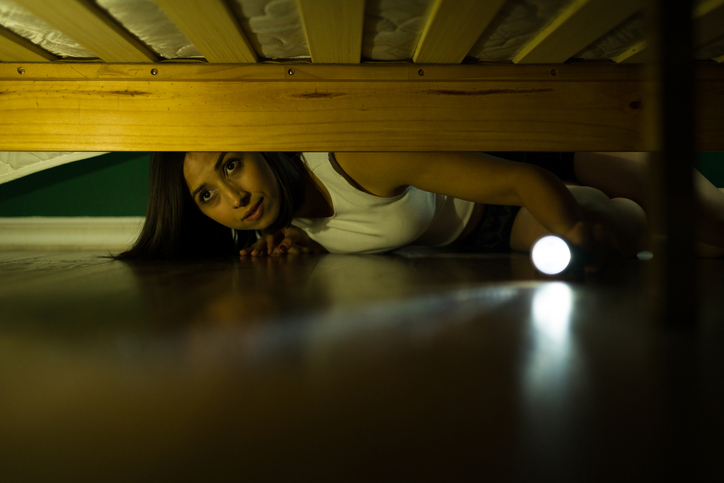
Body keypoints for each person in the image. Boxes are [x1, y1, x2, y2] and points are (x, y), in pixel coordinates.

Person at [116, 151, 724, 262]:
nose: (235, 198)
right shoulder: (283, 222)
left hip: (527, 157)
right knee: (620, 238)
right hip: (490, 228)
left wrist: (570, 218)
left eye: (230, 166)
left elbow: (519, 177)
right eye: (207, 196)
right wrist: (576, 233)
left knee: (706, 218)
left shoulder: (355, 159)